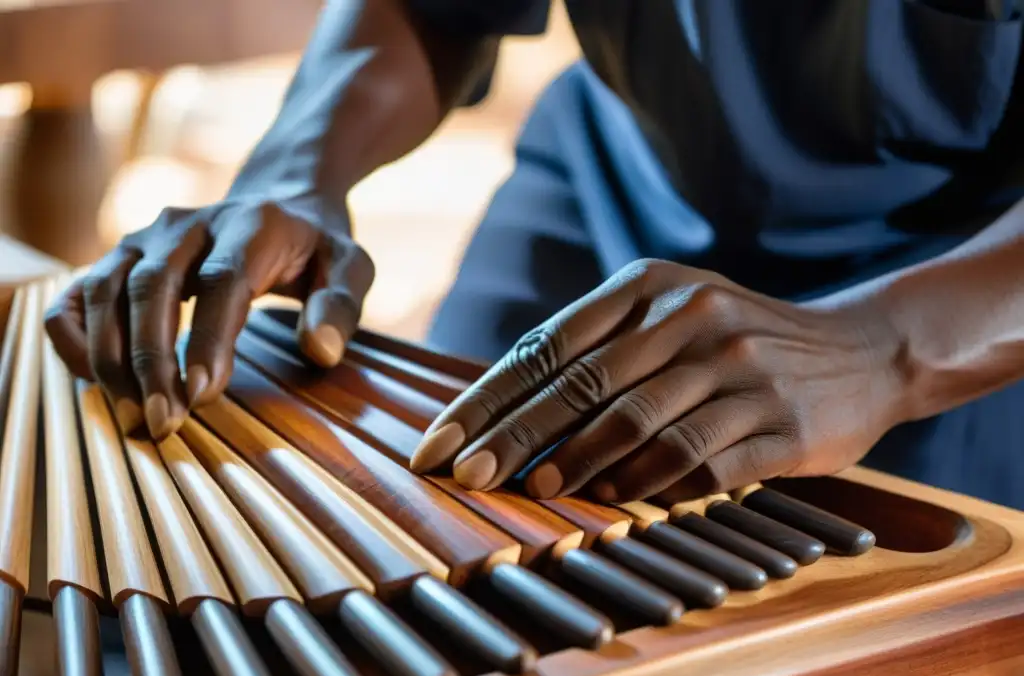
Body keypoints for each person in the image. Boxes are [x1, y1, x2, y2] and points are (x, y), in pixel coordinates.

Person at [44, 0, 1024, 510]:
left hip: (955, 284)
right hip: (613, 188)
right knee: (418, 543)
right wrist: (294, 171)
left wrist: (885, 347)